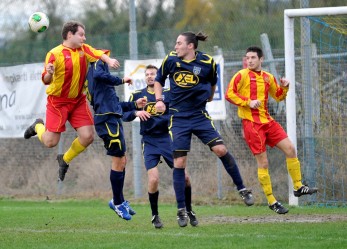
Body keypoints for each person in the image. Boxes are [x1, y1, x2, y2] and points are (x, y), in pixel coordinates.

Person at [154, 31, 254, 227]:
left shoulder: (207, 62)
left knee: (221, 149)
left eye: (179, 43)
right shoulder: (171, 60)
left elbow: (213, 84)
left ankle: (242, 188)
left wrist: (207, 98)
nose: (176, 46)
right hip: (178, 116)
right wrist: (159, 100)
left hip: (199, 115)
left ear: (190, 46)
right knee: (180, 162)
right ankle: (181, 209)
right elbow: (159, 80)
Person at [225, 46, 318, 214]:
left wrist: (286, 87)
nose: (250, 61)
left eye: (253, 57)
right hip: (252, 124)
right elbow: (229, 94)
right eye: (247, 58)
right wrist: (248, 102)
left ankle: (298, 186)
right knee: (264, 162)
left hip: (268, 121)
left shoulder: (268, 77)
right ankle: (271, 200)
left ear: (261, 59)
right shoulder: (241, 75)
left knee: (290, 149)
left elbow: (279, 96)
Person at [24, 21, 121, 182]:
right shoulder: (54, 53)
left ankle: (65, 159)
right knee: (50, 142)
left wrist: (109, 61)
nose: (84, 38)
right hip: (58, 102)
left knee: (88, 136)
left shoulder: (84, 49)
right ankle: (37, 126)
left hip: (77, 101)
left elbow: (98, 53)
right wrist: (49, 72)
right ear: (70, 35)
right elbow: (46, 80)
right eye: (81, 34)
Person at [123, 65, 198, 228]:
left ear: (158, 77)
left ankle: (189, 210)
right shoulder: (138, 96)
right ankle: (155, 215)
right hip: (149, 141)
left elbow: (178, 113)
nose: (150, 76)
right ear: (145, 77)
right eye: (147, 74)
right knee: (154, 179)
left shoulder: (169, 94)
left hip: (167, 139)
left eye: (153, 74)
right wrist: (136, 112)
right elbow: (124, 114)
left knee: (185, 176)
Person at [85, 51, 147, 221]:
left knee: (122, 160)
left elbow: (116, 104)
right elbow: (99, 73)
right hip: (106, 120)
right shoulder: (96, 65)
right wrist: (121, 80)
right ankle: (118, 203)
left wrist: (135, 105)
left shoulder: (102, 85)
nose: (107, 55)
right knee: (118, 159)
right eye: (105, 55)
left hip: (111, 117)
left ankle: (118, 200)